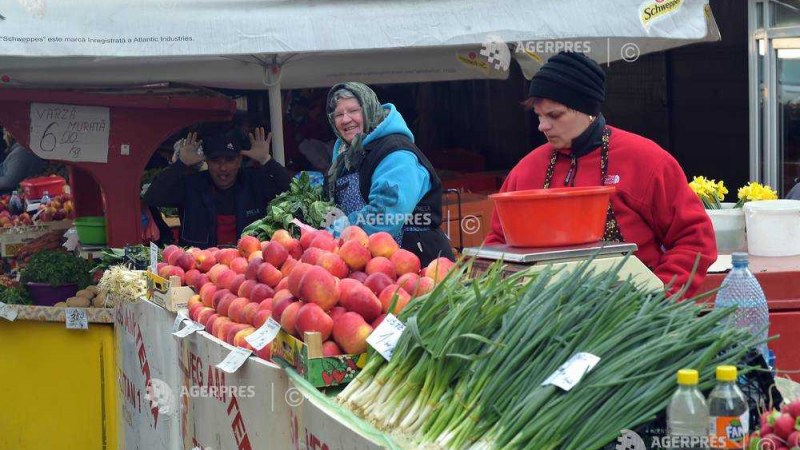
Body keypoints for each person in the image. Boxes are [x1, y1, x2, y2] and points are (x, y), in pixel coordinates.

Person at [484, 52, 717, 297]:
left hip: (634, 316)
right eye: (539, 116)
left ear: (587, 110)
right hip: (542, 320)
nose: (543, 126)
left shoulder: (646, 161)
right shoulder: (525, 172)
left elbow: (694, 239)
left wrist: (658, 298)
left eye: (554, 115)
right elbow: (497, 246)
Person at [325, 82, 454, 266]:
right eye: (338, 114)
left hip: (415, 263)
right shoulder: (346, 157)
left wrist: (333, 233)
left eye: (353, 110)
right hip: (367, 262)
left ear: (369, 109)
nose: (345, 119)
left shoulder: (396, 153)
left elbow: (385, 215)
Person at [144, 127, 291, 247]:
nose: (223, 167)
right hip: (198, 267)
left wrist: (267, 160)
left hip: (249, 264)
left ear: (239, 161)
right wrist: (180, 164)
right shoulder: (191, 186)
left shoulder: (255, 182)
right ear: (207, 161)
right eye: (215, 160)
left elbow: (289, 190)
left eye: (229, 160)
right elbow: (152, 196)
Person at [0, 129, 47, 193]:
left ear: (10, 135)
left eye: (5, 134)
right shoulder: (17, 150)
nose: (3, 138)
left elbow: (9, 182)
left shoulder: (21, 152)